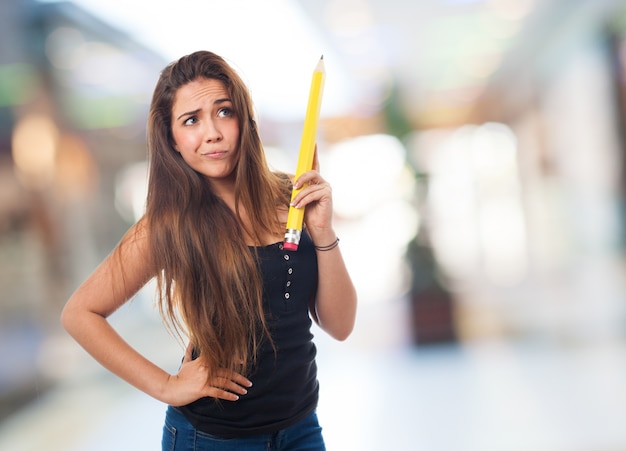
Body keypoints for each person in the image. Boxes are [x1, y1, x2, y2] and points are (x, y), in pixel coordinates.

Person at [60, 50, 357, 450]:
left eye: (224, 112)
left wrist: (322, 232)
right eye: (191, 120)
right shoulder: (169, 225)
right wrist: (167, 385)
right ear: (173, 140)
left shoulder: (294, 197)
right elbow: (80, 313)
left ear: (244, 121)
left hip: (301, 428)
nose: (212, 132)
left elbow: (340, 326)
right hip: (212, 439)